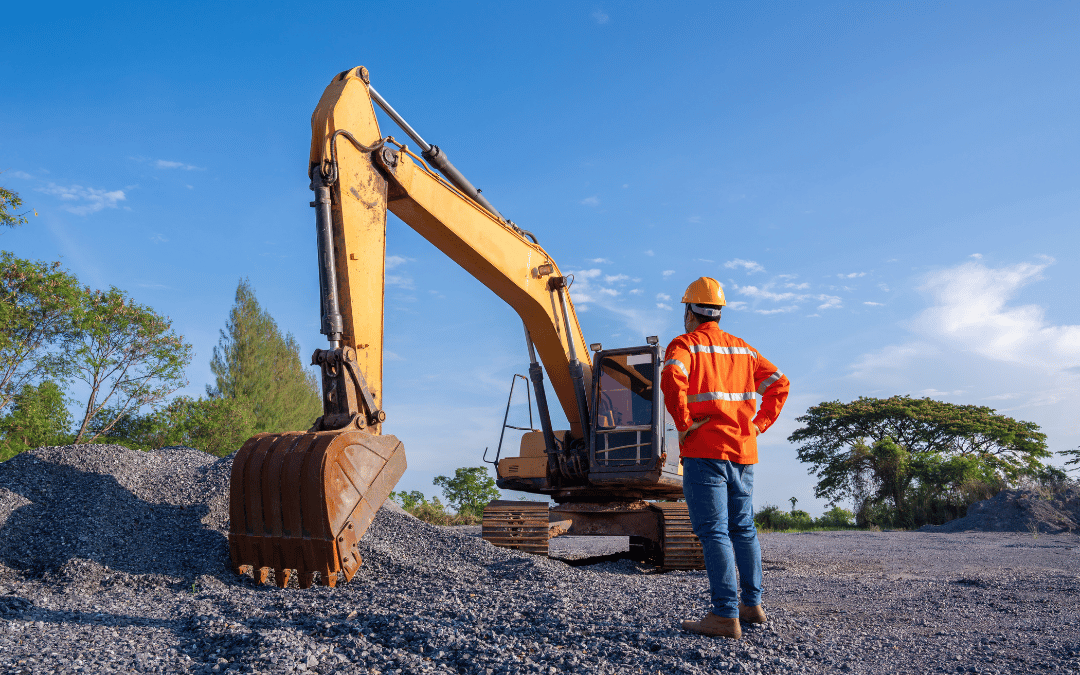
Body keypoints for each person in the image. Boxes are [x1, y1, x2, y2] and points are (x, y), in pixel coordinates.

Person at [660, 277, 790, 639]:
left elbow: (672, 375)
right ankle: (752, 605)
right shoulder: (743, 350)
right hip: (744, 453)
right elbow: (781, 383)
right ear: (717, 312)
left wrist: (684, 422)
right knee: (743, 529)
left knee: (714, 532)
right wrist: (759, 425)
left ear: (689, 311)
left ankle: (724, 615)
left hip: (705, 452)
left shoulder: (685, 344)